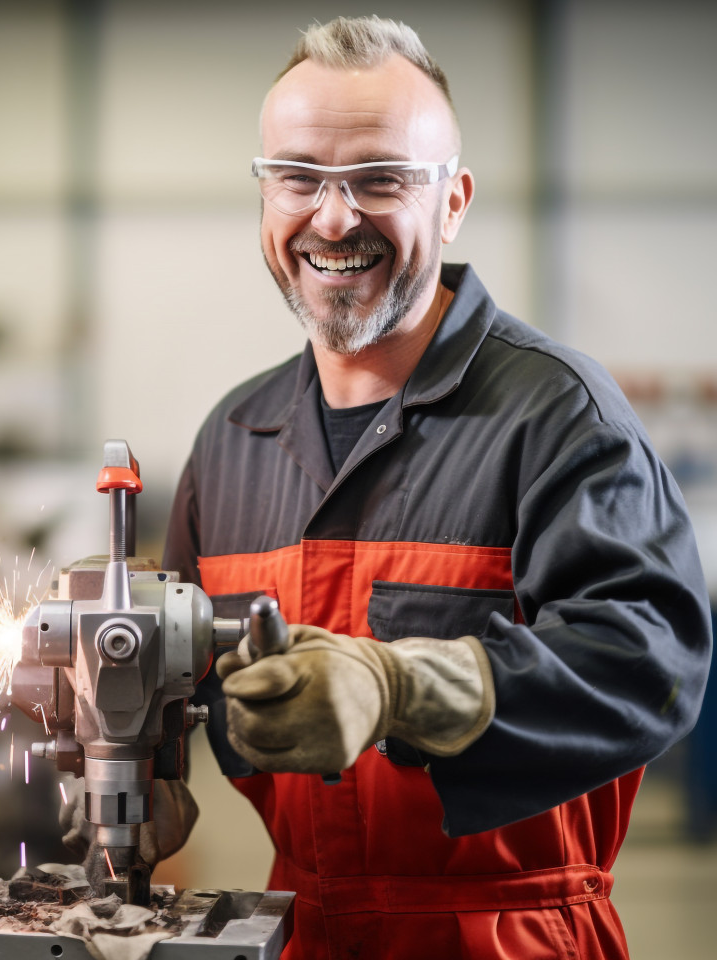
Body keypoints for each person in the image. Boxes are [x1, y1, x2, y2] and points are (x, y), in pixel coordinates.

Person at [161, 15, 713, 960]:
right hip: (297, 931)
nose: (334, 219)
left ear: (452, 203)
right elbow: (180, 677)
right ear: (265, 195)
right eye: (298, 177)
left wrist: (401, 685)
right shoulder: (233, 441)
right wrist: (136, 755)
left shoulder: (557, 417)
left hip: (509, 936)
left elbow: (651, 664)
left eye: (380, 178)